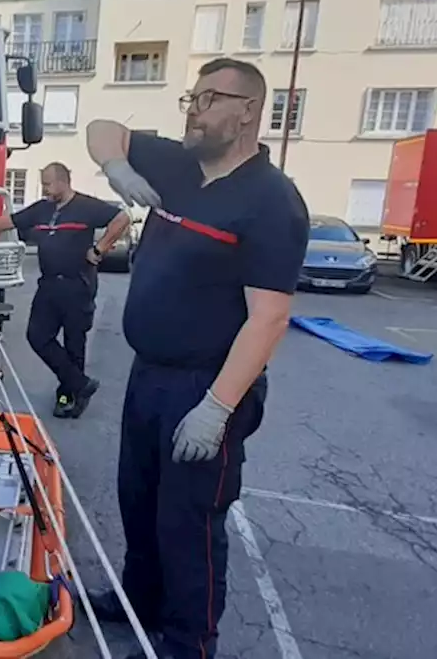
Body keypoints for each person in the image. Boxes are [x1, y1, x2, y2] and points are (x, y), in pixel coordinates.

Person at [82, 58, 309, 659]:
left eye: (211, 99)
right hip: (149, 372)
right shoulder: (181, 166)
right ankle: (140, 601)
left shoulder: (271, 201)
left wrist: (217, 408)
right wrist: (115, 165)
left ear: (248, 112)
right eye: (193, 97)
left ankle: (188, 642)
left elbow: (268, 318)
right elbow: (102, 125)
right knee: (140, 498)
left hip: (205, 384)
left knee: (189, 522)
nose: (195, 109)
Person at [0, 162, 131, 419]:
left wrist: (100, 249)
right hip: (49, 283)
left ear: (63, 181)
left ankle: (68, 396)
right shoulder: (42, 209)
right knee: (37, 336)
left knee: (75, 342)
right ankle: (81, 384)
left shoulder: (88, 207)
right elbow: (8, 221)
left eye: (48, 184)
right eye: (43, 184)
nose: (45, 190)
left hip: (78, 284)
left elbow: (122, 218)